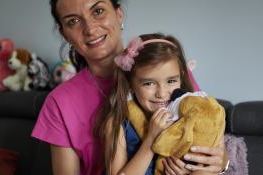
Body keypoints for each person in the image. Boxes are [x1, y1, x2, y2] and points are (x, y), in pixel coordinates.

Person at [31, 0, 228, 174]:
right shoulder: (59, 102)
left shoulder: (169, 70)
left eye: (98, 11)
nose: (90, 29)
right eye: (73, 21)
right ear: (64, 34)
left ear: (118, 13)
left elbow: (207, 133)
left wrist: (221, 163)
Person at [95, 33, 226, 175]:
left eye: (171, 81)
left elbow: (214, 164)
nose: (162, 94)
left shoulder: (196, 112)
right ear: (131, 84)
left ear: (181, 78)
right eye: (149, 83)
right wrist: (151, 139)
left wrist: (193, 171)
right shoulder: (117, 124)